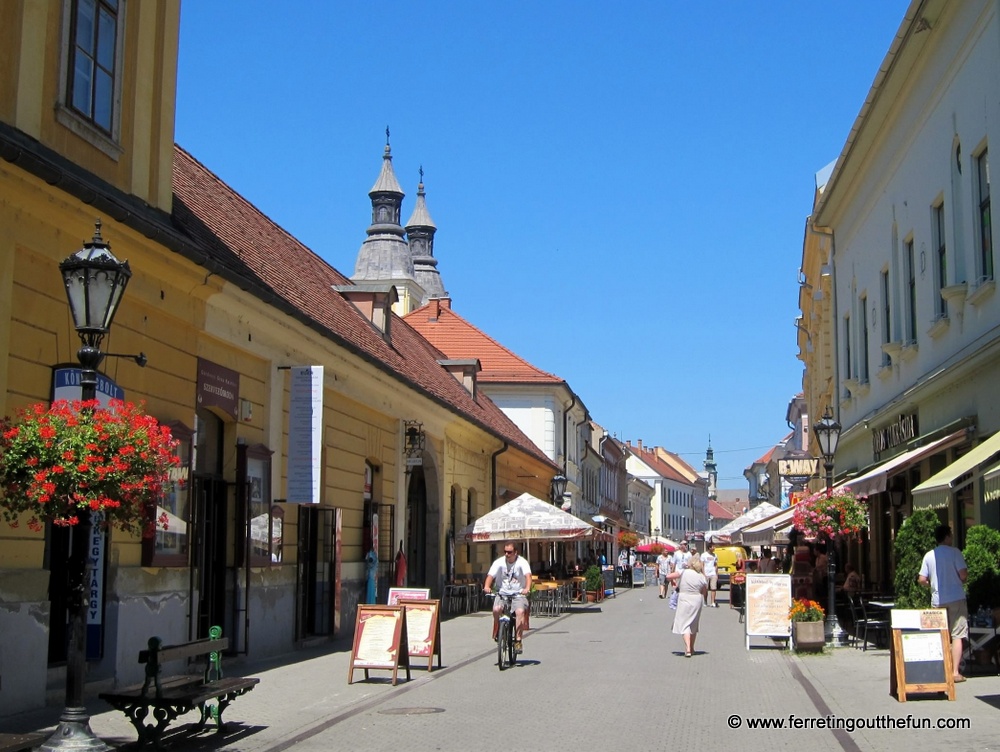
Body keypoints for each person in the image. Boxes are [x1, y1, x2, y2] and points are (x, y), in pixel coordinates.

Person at [918, 524, 969, 682]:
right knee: (957, 635)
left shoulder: (929, 555)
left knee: (940, 634)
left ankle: (941, 670)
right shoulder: (955, 553)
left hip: (938, 600)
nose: (952, 537)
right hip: (955, 597)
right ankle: (954, 672)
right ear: (946, 536)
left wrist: (932, 585)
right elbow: (963, 575)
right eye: (951, 535)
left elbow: (921, 579)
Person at [484, 542, 532, 653]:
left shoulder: (522, 562)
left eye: (509, 552)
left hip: (518, 594)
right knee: (496, 609)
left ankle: (518, 641)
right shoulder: (499, 562)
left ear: (515, 552)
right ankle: (498, 629)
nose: (507, 554)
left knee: (520, 612)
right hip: (502, 593)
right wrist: (487, 586)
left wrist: (527, 588)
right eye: (505, 552)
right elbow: (490, 576)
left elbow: (528, 576)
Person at [666, 555, 708, 656]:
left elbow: (668, 576)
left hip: (684, 598)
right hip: (696, 599)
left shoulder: (684, 571)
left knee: (684, 623)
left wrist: (675, 581)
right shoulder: (702, 576)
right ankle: (692, 648)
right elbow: (704, 591)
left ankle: (688, 648)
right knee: (693, 624)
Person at [701, 542, 719, 607]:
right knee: (705, 589)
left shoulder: (715, 555)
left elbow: (716, 564)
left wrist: (716, 574)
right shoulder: (703, 555)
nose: (714, 548)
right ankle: (705, 601)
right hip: (706, 573)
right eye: (713, 547)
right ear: (709, 547)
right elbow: (702, 565)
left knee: (713, 588)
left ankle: (712, 602)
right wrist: (703, 573)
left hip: (713, 573)